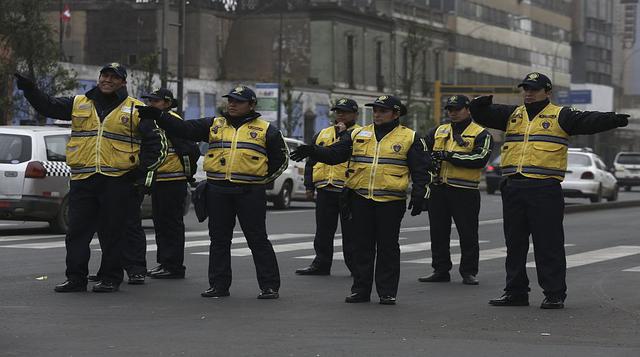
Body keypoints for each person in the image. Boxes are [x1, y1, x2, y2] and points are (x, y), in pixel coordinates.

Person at [469, 72, 629, 309]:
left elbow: (588, 120)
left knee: (548, 244)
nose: (528, 93)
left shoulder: (560, 115)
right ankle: (516, 292)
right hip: (514, 186)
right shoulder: (512, 114)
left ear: (547, 92)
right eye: (526, 89)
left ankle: (554, 293)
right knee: (514, 244)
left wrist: (613, 119)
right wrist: (478, 105)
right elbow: (483, 115)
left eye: (534, 89)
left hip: (544, 188)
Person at [14, 63, 167, 293]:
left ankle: (110, 278)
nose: (108, 80)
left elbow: (156, 144)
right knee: (76, 232)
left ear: (123, 82)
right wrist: (30, 89)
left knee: (113, 232)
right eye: (105, 75)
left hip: (117, 179)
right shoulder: (79, 103)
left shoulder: (137, 109)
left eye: (114, 77)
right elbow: (48, 107)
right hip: (83, 178)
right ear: (99, 78)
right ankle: (76, 278)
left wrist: (142, 176)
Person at [136, 85, 288, 299]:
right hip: (218, 191)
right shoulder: (214, 125)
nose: (232, 104)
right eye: (230, 100)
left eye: (239, 101)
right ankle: (218, 285)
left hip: (249, 193)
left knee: (257, 239)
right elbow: (184, 129)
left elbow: (281, 160)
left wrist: (259, 181)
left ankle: (269, 286)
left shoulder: (266, 130)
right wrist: (159, 116)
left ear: (252, 105)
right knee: (219, 240)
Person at [291, 95, 432, 305]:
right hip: (360, 198)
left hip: (390, 200)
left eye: (382, 111)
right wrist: (314, 151)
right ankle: (360, 290)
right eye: (375, 110)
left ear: (396, 114)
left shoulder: (409, 137)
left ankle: (387, 292)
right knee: (361, 247)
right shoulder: (358, 133)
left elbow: (421, 169)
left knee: (387, 247)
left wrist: (421, 194)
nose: (377, 114)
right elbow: (336, 154)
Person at [418, 95, 493, 286]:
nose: (453, 112)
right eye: (450, 109)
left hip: (465, 191)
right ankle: (440, 270)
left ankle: (468, 272)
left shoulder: (481, 133)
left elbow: (480, 158)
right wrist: (428, 159)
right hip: (439, 189)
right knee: (438, 232)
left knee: (468, 234)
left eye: (457, 109)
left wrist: (448, 156)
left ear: (468, 110)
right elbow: (423, 149)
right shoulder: (439, 130)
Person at [295, 98, 361, 276]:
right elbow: (311, 161)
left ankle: (355, 267)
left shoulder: (361, 135)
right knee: (323, 232)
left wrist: (343, 134)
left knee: (351, 234)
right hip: (325, 188)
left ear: (355, 114)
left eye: (345, 112)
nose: (340, 114)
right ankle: (321, 264)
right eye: (337, 111)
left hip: (349, 191)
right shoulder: (322, 134)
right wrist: (309, 186)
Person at [142, 88, 199, 279]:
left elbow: (189, 149)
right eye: (149, 101)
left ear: (166, 103)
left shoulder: (172, 121)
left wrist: (187, 173)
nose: (151, 104)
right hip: (161, 180)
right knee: (160, 224)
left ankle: (174, 266)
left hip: (173, 181)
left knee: (171, 225)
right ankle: (164, 262)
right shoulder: (152, 121)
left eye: (155, 101)